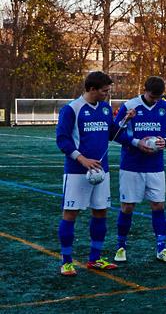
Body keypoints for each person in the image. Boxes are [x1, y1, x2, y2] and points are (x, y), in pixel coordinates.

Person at [56, 71, 133, 276]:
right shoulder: (72, 109)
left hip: (101, 172)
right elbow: (62, 140)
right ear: (92, 89)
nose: (107, 95)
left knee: (100, 212)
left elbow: (113, 133)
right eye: (105, 91)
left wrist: (126, 121)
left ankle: (95, 259)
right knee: (71, 214)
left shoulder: (106, 108)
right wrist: (82, 159)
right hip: (76, 172)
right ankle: (66, 262)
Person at [113, 76, 166, 263]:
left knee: (158, 205)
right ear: (144, 90)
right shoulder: (130, 106)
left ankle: (161, 248)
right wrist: (135, 141)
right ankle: (121, 248)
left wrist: (165, 141)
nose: (155, 100)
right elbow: (116, 133)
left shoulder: (165, 107)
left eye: (158, 97)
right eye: (152, 96)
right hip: (131, 165)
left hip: (156, 166)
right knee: (127, 207)